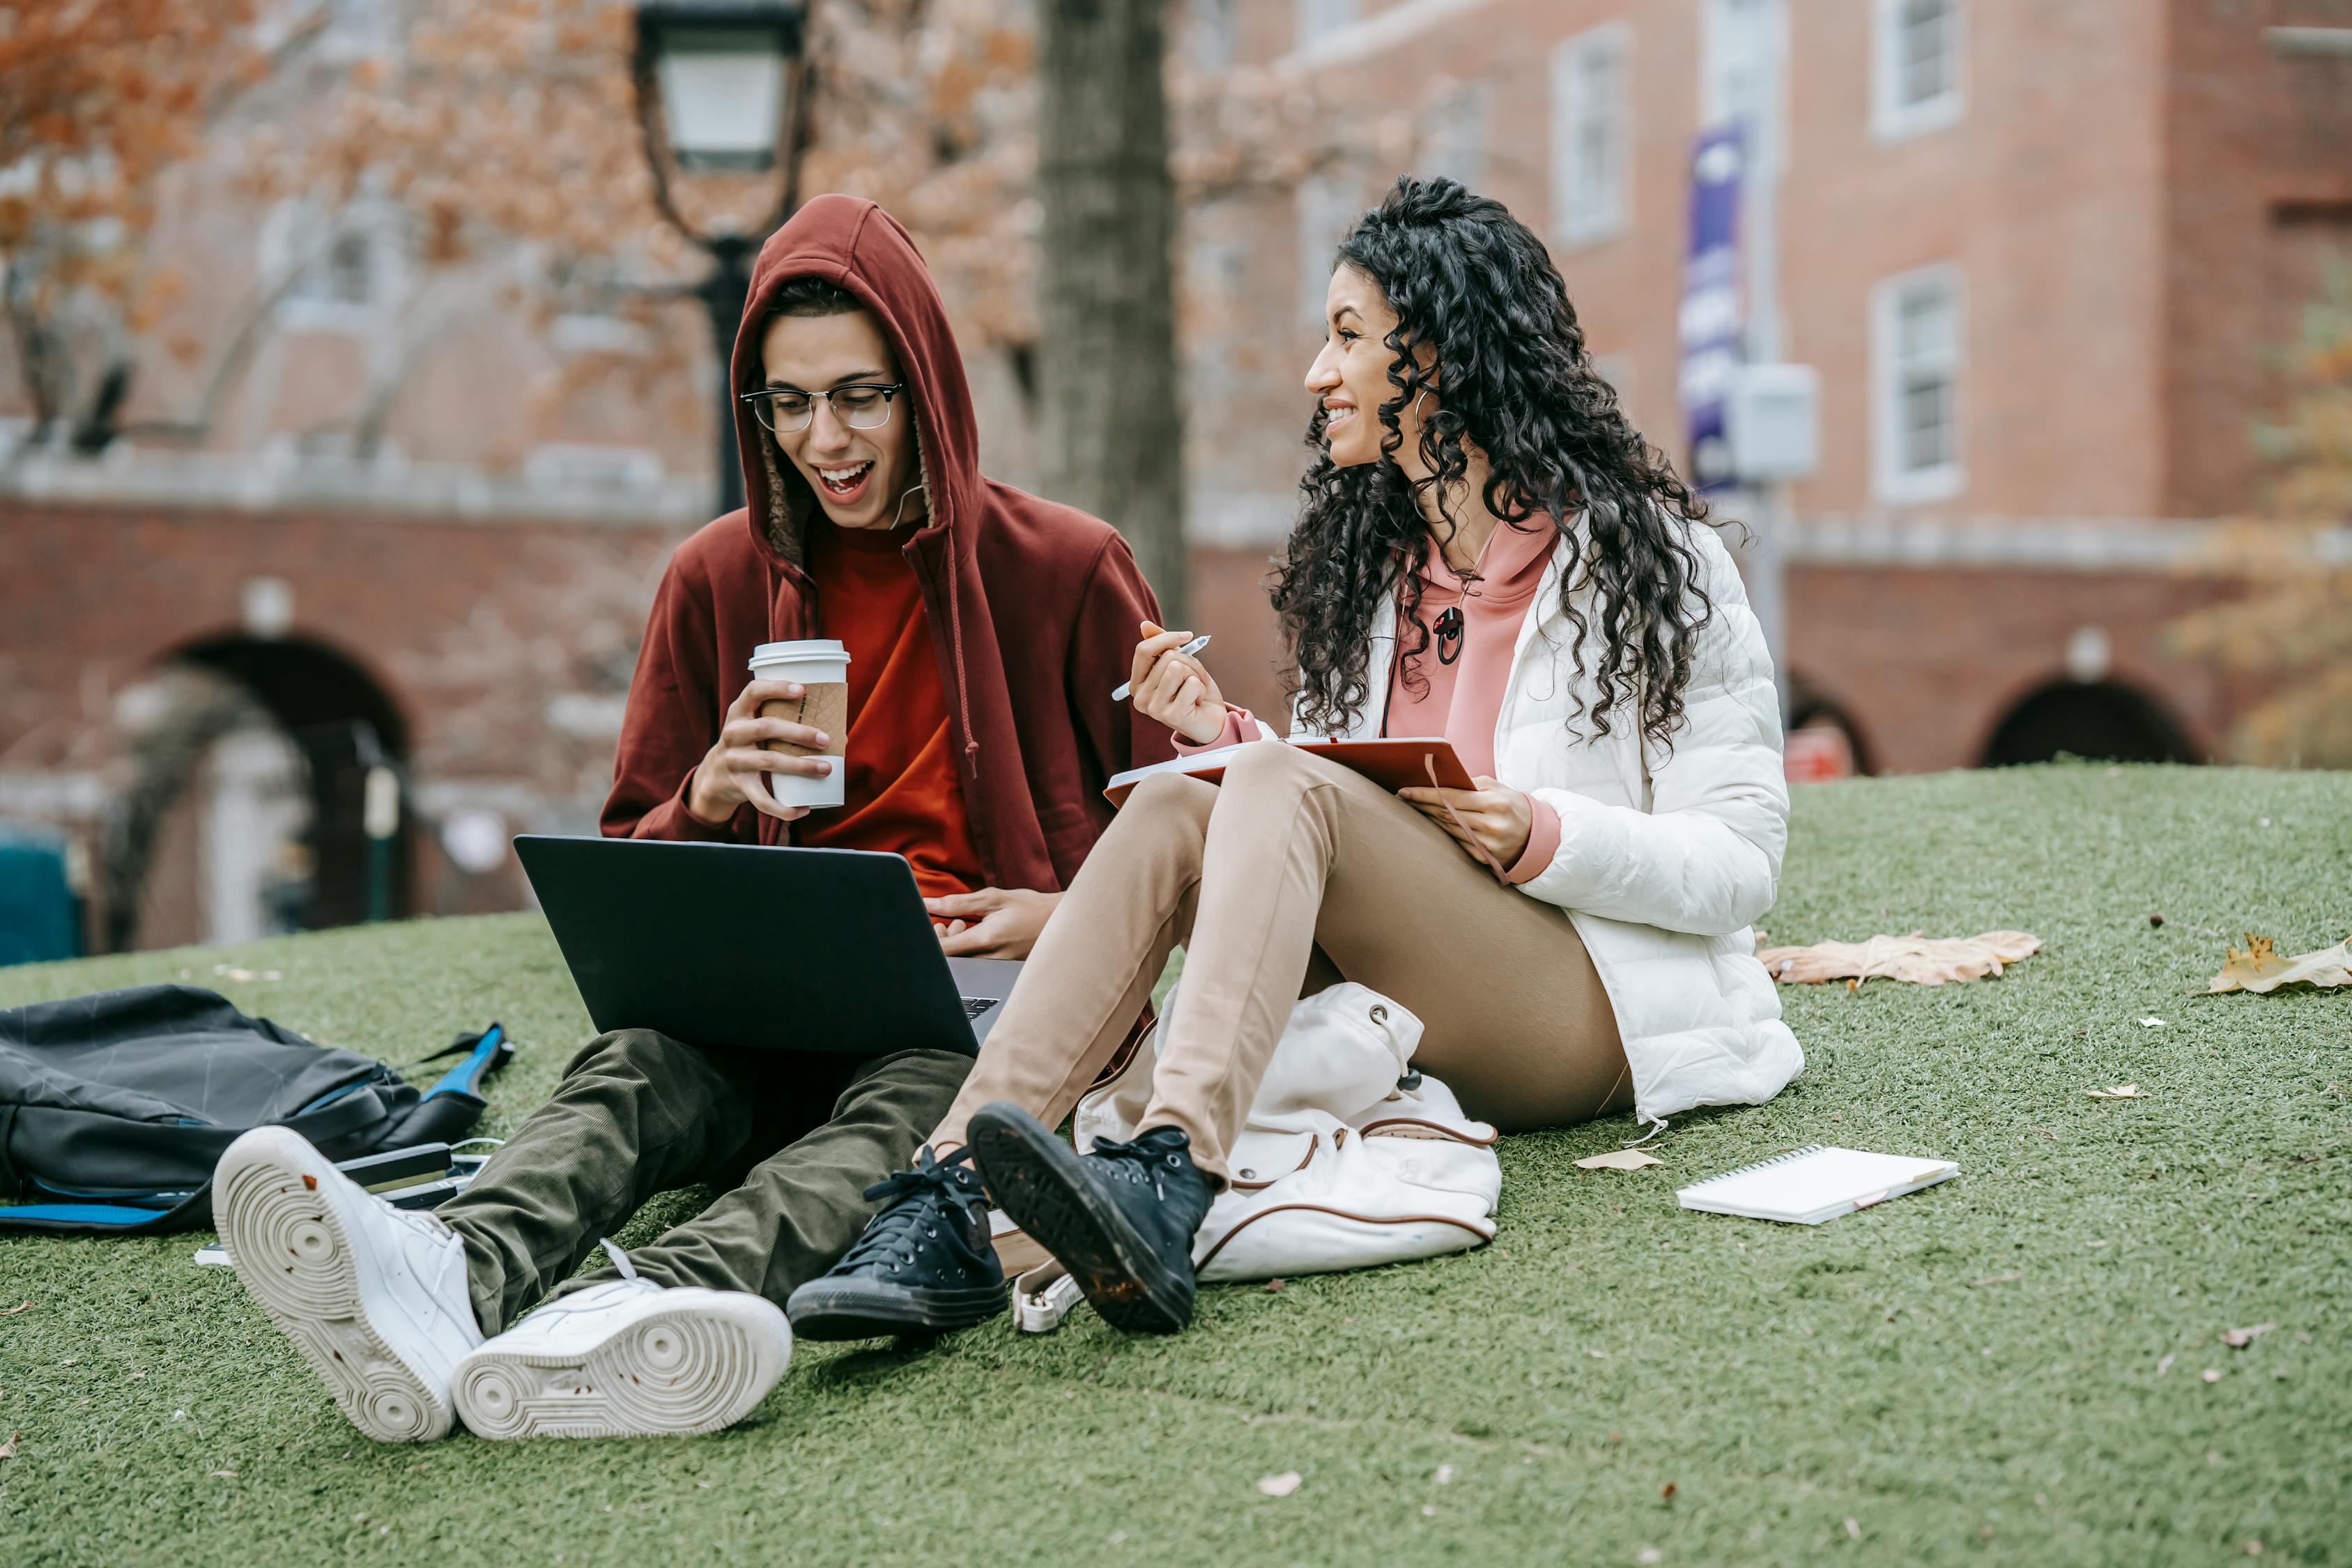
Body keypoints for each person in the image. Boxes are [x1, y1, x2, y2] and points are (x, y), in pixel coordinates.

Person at [210, 195, 1174, 1441]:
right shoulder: (715, 578)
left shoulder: (1067, 566)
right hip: (765, 1006)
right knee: (636, 1066)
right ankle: (450, 1272)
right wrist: (706, 799)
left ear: (926, 385)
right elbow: (632, 874)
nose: (824, 439)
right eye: (789, 402)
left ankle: (640, 1311)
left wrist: (1062, 914)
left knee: (903, 1109)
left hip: (977, 1014)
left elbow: (1185, 842)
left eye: (860, 396)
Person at [795, 176, 1803, 1338]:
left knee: (1261, 782)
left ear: (1444, 358)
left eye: (1348, 338)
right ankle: (948, 1188)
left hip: (1594, 1003)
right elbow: (1327, 797)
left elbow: (1742, 860)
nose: (1319, 374)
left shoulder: (1653, 565)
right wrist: (1222, 740)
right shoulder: (1372, 574)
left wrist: (1541, 832)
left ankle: (1172, 1165)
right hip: (1413, 987)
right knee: (1184, 793)